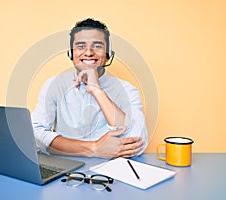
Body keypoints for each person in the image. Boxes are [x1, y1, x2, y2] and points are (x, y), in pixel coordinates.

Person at [32, 18, 148, 158]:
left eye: (97, 46)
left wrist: (96, 90)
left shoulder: (127, 90)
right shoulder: (54, 85)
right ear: (71, 53)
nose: (88, 52)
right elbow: (35, 135)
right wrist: (93, 148)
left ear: (108, 55)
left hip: (112, 168)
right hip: (66, 165)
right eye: (80, 46)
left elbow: (137, 142)